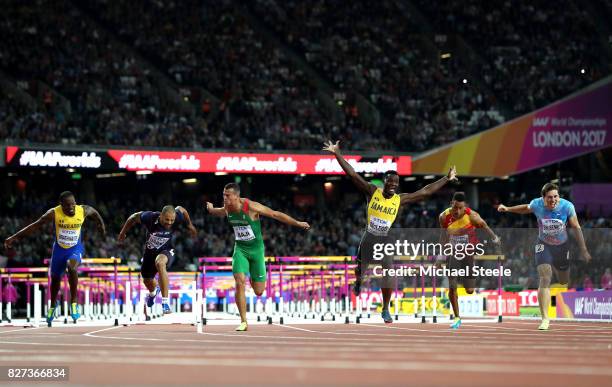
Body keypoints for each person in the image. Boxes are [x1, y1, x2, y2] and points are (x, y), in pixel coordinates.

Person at [323, 140, 457, 323]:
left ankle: (385, 308)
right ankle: (358, 281)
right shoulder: (372, 191)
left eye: (396, 182)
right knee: (360, 270)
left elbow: (425, 192)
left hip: (384, 239)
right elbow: (352, 174)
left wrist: (446, 179)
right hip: (368, 237)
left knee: (388, 269)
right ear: (384, 182)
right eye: (390, 181)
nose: (393, 184)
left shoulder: (399, 199)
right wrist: (337, 153)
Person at [206, 183, 310, 331]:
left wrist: (298, 223)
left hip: (257, 252)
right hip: (240, 250)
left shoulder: (250, 207)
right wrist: (210, 209)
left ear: (236, 196)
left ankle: (252, 276)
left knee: (259, 291)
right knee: (239, 281)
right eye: (223, 195)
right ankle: (243, 321)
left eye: (227, 195)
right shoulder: (228, 208)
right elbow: (219, 211)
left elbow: (275, 214)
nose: (224, 198)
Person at [498, 182, 591, 330]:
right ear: (543, 198)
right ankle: (545, 319)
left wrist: (583, 249)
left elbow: (576, 227)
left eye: (556, 197)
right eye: (549, 198)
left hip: (562, 246)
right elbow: (525, 208)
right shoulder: (537, 204)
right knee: (545, 277)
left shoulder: (567, 206)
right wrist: (507, 208)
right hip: (544, 244)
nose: (553, 200)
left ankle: (556, 267)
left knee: (563, 281)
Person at [4, 191, 106, 324]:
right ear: (61, 205)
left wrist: (101, 226)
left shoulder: (83, 210)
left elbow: (96, 214)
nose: (71, 208)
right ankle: (53, 304)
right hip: (59, 250)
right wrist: (14, 237)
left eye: (73, 205)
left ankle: (73, 303)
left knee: (72, 267)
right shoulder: (54, 213)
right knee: (55, 279)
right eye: (67, 206)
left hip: (75, 249)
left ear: (76, 203)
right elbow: (35, 225)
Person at [118, 205, 197, 314]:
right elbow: (133, 217)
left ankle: (165, 302)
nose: (169, 222)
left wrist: (190, 224)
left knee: (160, 263)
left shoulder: (177, 216)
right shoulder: (150, 217)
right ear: (161, 215)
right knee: (147, 280)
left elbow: (182, 209)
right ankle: (153, 293)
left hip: (167, 250)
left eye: (172, 220)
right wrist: (123, 232)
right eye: (167, 219)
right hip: (149, 254)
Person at [439, 192, 500, 329]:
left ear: (465, 206)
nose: (457, 211)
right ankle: (456, 317)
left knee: (470, 290)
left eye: (460, 208)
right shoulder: (443, 217)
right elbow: (443, 237)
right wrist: (440, 257)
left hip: (468, 254)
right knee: (452, 285)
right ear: (451, 204)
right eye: (455, 208)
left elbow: (484, 226)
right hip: (452, 253)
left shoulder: (472, 216)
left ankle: (466, 280)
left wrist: (495, 238)